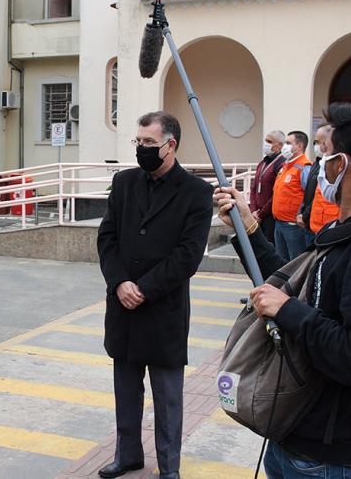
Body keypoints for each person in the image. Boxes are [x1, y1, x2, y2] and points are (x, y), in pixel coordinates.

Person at [213, 102, 351, 479]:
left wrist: (288, 311)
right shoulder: (347, 231)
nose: (317, 163)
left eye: (323, 151)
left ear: (342, 165)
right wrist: (248, 228)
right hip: (298, 435)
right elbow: (293, 287)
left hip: (328, 457)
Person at [96, 111, 213, 479]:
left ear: (170, 145)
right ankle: (128, 454)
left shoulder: (196, 192)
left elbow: (187, 256)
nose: (141, 149)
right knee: (126, 392)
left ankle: (169, 468)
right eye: (139, 142)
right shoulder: (125, 182)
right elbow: (107, 238)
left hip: (163, 310)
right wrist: (119, 283)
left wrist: (143, 288)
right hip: (123, 308)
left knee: (167, 397)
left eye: (148, 143)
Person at [271, 130, 312, 260]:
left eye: (288, 143)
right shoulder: (286, 166)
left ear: (299, 146)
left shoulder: (304, 167)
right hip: (279, 222)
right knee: (282, 263)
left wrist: (302, 215)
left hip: (293, 225)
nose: (284, 147)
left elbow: (310, 195)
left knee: (295, 264)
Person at [297, 125, 340, 245]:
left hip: (329, 228)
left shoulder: (336, 168)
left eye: (319, 142)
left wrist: (304, 216)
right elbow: (312, 195)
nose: (317, 146)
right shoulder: (318, 164)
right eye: (315, 142)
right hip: (314, 225)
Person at [250, 130, 286, 243]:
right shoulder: (263, 162)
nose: (266, 144)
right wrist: (253, 210)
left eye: (269, 141)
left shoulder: (281, 163)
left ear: (280, 145)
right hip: (256, 214)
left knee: (269, 246)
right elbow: (254, 188)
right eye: (265, 141)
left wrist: (261, 214)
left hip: (270, 216)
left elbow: (276, 194)